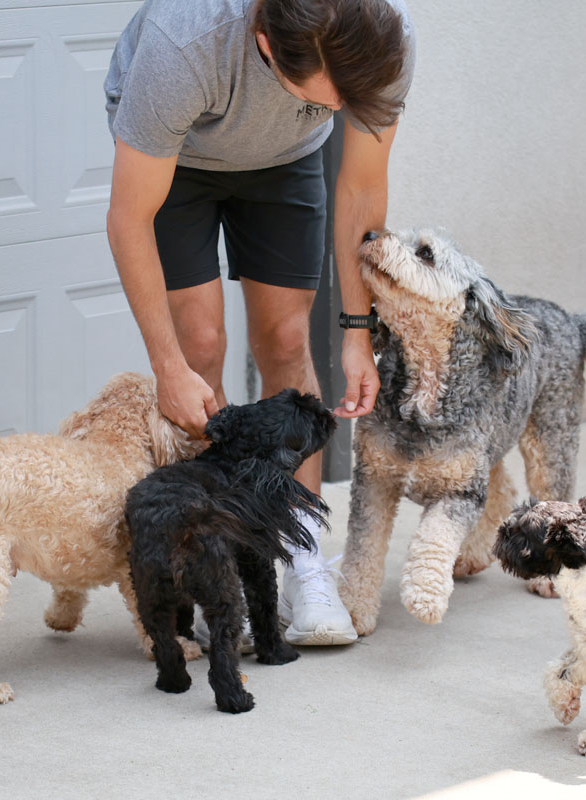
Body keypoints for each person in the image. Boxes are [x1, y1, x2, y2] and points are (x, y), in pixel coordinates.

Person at [104, 0, 415, 646]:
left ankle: (302, 560)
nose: (341, 108)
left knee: (287, 340)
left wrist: (358, 331)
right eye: (325, 99)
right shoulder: (185, 41)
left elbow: (361, 189)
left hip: (286, 161)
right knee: (199, 347)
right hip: (181, 157)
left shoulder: (381, 34)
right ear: (268, 46)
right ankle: (211, 570)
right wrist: (166, 367)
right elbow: (130, 218)